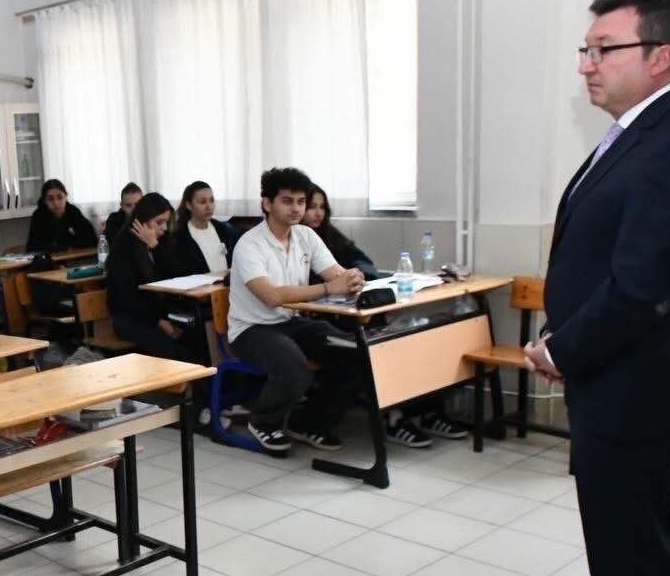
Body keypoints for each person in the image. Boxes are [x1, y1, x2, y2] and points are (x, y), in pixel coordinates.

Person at [523, 0, 670, 576]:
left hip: (640, 384)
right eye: (585, 49)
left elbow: (641, 287)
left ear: (660, 55)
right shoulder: (634, 133)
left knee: (637, 544)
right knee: (610, 529)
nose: (586, 64)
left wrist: (561, 348)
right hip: (612, 375)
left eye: (604, 49)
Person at [303, 183, 469, 448]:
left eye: (322, 207)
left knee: (408, 342)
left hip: (351, 314)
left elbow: (365, 264)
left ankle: (424, 413)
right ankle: (394, 417)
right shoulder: (296, 243)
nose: (317, 213)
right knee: (369, 354)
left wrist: (355, 275)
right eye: (311, 207)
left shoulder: (330, 237)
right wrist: (335, 283)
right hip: (322, 322)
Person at [228, 167, 365, 453]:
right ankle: (264, 421)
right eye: (287, 201)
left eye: (301, 202)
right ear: (267, 203)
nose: (296, 209)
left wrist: (352, 279)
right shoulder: (249, 244)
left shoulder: (306, 236)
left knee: (354, 352)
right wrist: (329, 288)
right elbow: (272, 296)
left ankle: (309, 422)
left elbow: (335, 273)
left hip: (291, 323)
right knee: (294, 367)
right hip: (252, 329)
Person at [106, 192, 201, 362]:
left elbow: (177, 277)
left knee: (198, 336)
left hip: (158, 313)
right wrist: (159, 321)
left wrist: (156, 247)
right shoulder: (124, 247)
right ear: (143, 220)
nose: (164, 228)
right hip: (131, 318)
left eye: (166, 222)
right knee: (173, 350)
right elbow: (128, 298)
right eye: (159, 222)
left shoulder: (161, 242)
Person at [167, 180, 239, 276]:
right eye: (202, 202)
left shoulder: (223, 230)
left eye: (211, 200)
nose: (209, 207)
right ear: (189, 205)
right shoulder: (180, 237)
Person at [25, 179, 99, 253]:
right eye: (50, 199)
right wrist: (65, 247)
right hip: (49, 259)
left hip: (76, 257)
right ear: (45, 201)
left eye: (60, 197)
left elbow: (91, 240)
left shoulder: (73, 211)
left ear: (66, 197)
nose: (56, 203)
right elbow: (34, 248)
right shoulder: (39, 216)